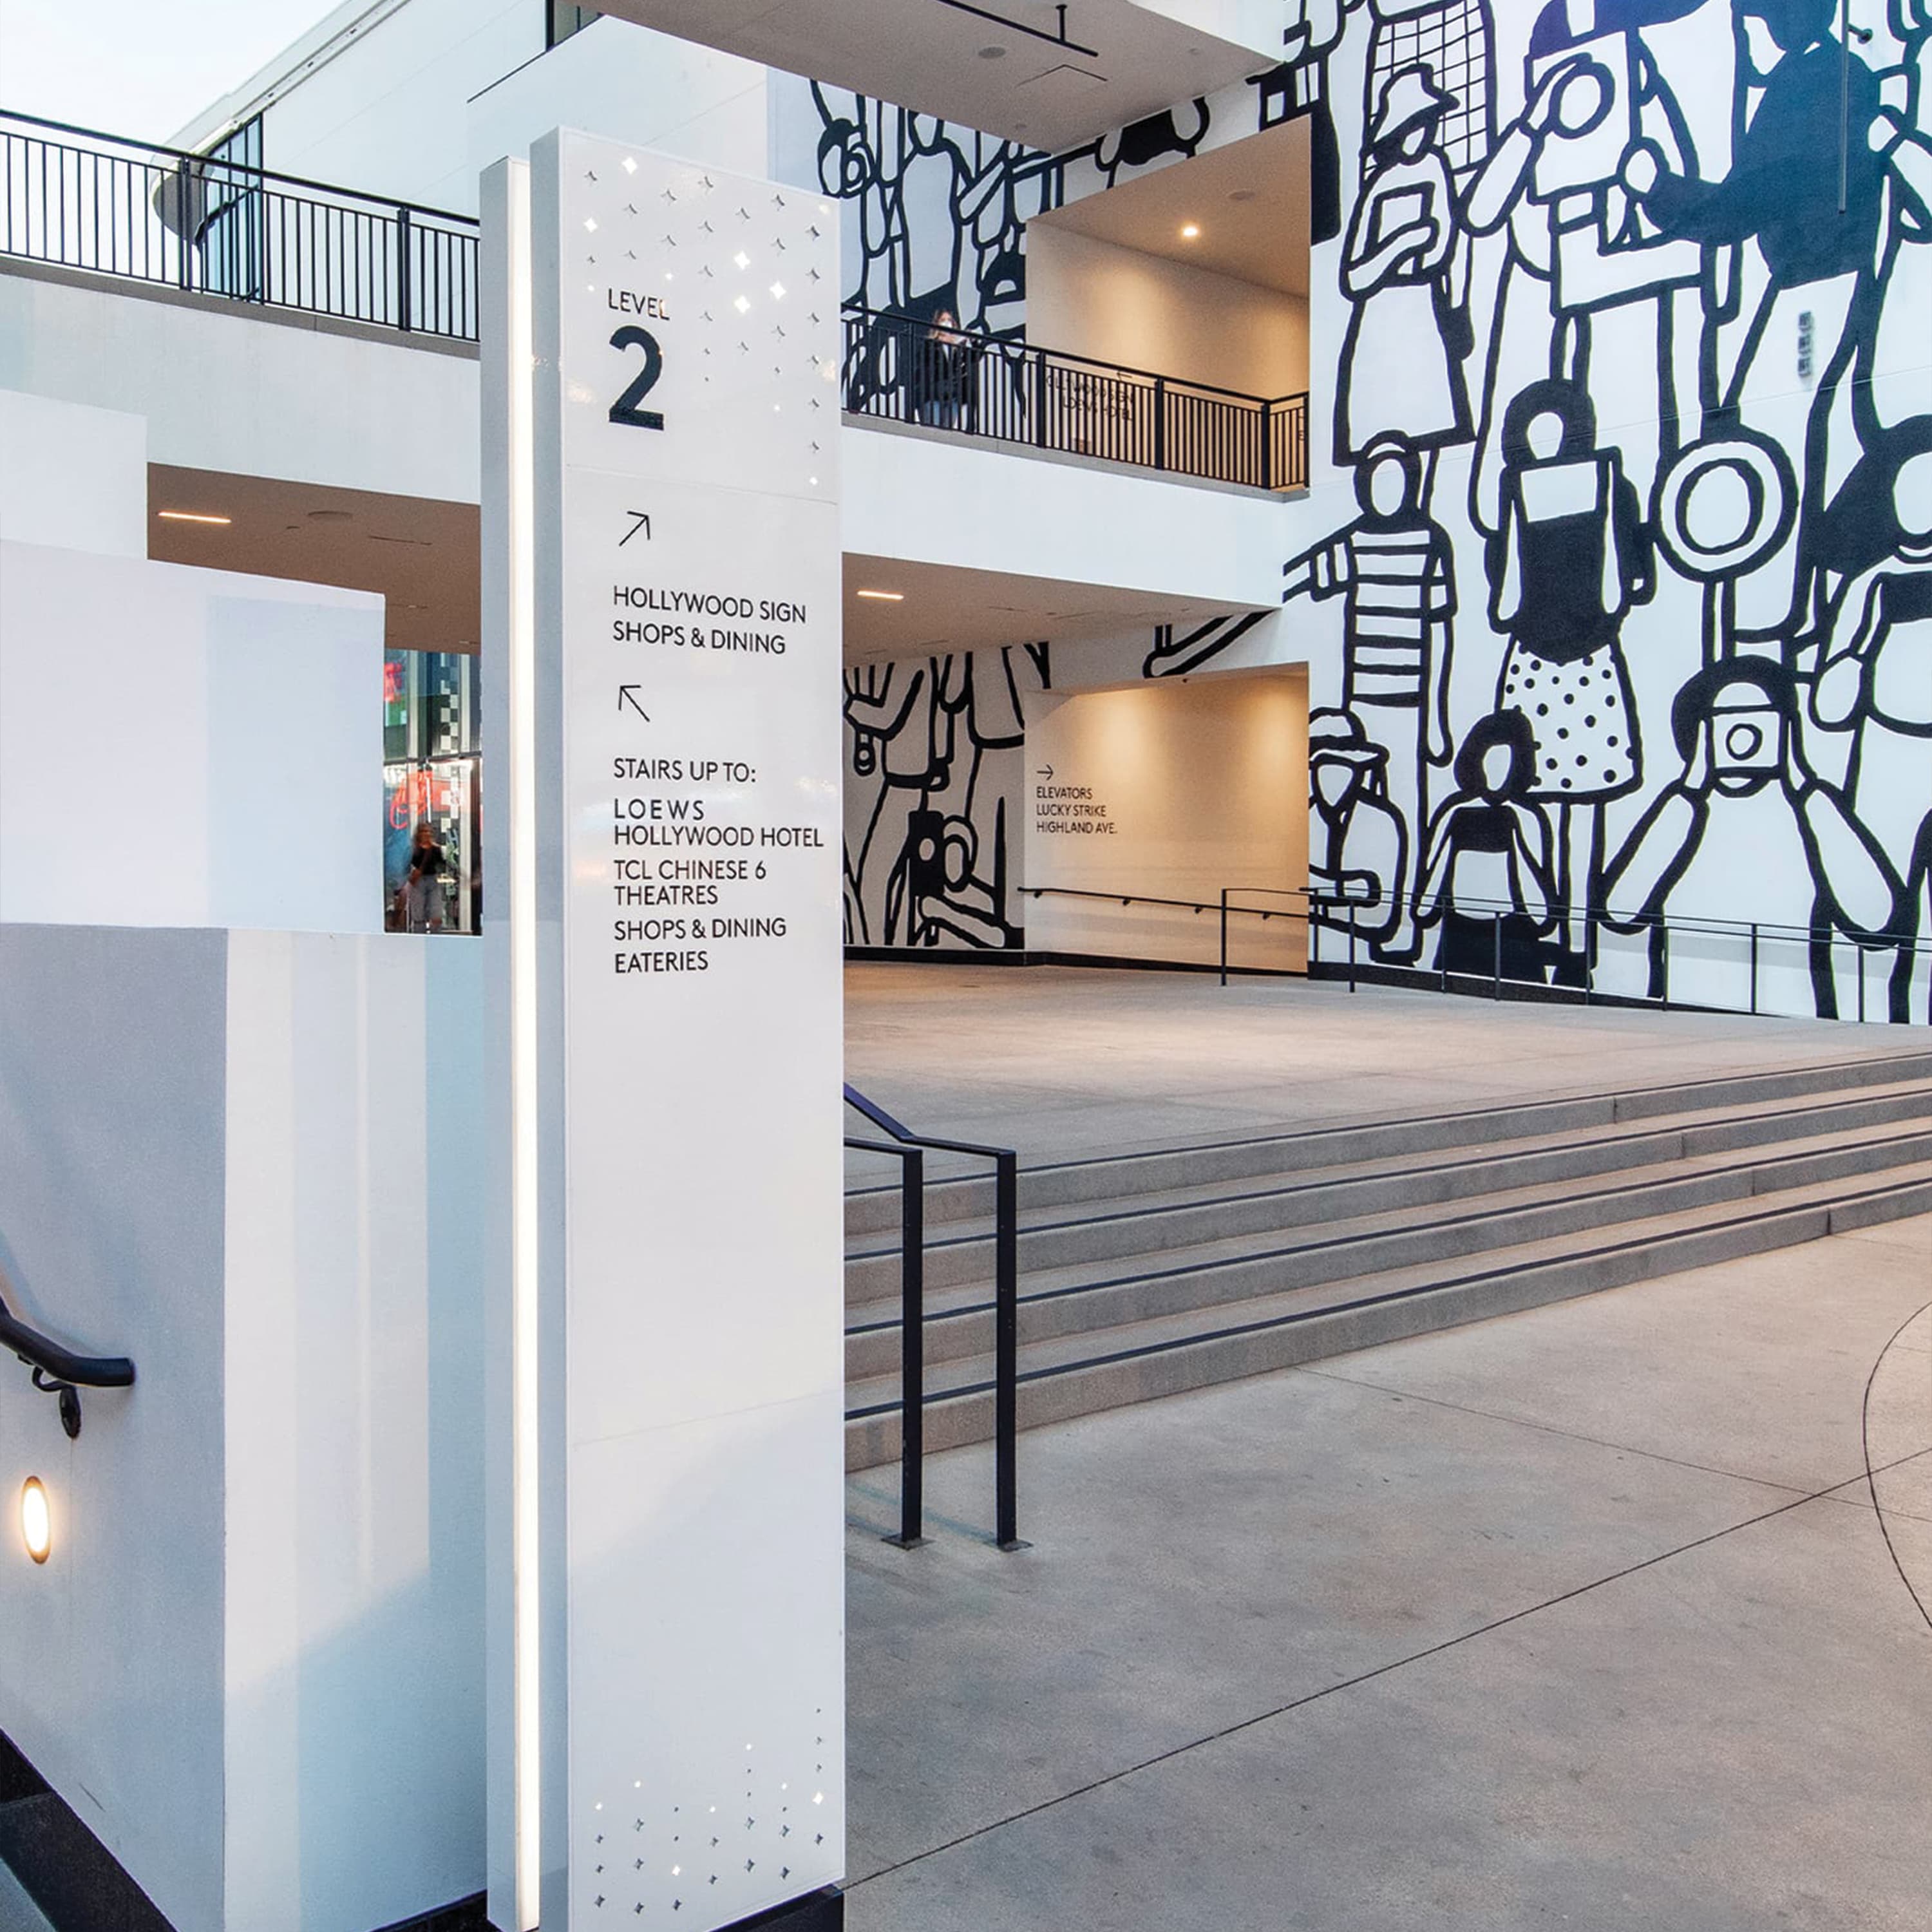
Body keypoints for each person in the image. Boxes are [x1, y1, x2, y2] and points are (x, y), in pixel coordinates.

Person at [916, 308, 969, 428]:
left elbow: (964, 367)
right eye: (943, 320)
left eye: (949, 320)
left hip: (952, 396)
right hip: (932, 396)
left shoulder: (956, 349)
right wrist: (941, 342)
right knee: (933, 429)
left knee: (947, 431)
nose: (947, 323)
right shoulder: (929, 344)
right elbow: (929, 367)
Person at [403, 821, 447, 933]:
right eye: (424, 831)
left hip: (432, 880)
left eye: (429, 831)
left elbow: (442, 864)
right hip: (418, 882)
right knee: (418, 914)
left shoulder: (435, 849)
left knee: (436, 913)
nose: (427, 834)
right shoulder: (413, 849)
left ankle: (436, 936)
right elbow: (407, 865)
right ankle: (419, 935)